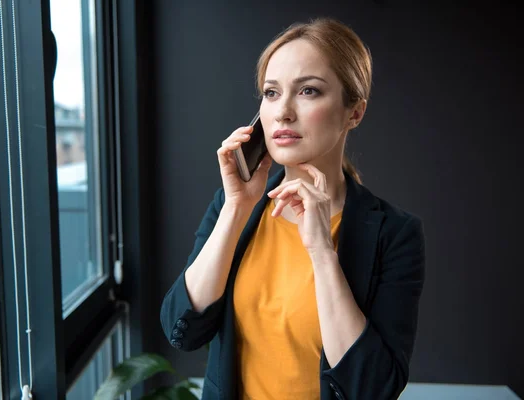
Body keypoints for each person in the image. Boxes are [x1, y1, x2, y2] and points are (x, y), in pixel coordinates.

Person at [160, 17, 426, 400]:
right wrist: (236, 209)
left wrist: (322, 252)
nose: (283, 112)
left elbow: (373, 388)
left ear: (354, 112)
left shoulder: (395, 234)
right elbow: (181, 330)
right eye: (271, 93)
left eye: (308, 91)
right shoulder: (233, 206)